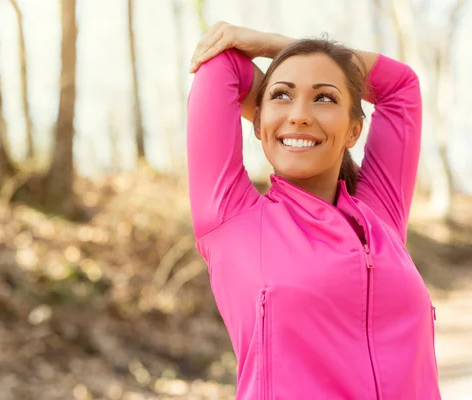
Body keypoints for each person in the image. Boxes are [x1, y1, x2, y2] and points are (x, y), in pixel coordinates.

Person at [186, 22, 440, 399]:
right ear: (257, 120)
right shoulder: (231, 219)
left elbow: (400, 86)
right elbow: (222, 65)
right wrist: (293, 104)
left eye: (324, 99)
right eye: (282, 97)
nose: (301, 114)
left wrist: (276, 48)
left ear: (354, 130)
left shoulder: (379, 217)